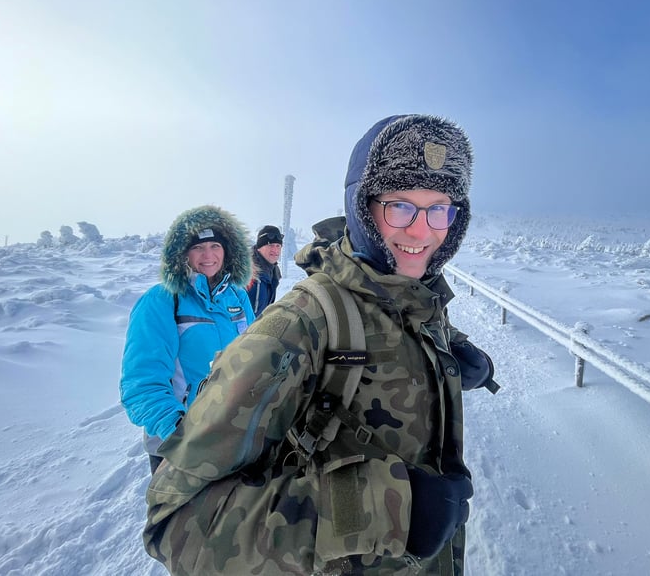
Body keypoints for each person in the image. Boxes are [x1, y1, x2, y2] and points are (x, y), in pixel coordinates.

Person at [143, 115, 499, 575]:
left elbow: (409, 320)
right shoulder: (299, 327)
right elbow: (175, 523)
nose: (422, 231)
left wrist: (460, 353)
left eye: (440, 209)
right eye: (400, 207)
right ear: (362, 207)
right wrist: (383, 513)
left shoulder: (416, 293)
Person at [119, 205, 255, 474]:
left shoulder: (236, 297)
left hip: (232, 434)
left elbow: (255, 356)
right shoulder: (163, 300)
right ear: (182, 253)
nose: (208, 255)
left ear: (227, 250)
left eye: (215, 245)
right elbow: (142, 382)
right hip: (179, 443)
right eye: (198, 247)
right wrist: (181, 434)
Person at [246, 224, 283, 316]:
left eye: (278, 246)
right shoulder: (247, 271)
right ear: (259, 247)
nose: (275, 250)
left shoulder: (272, 271)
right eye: (270, 245)